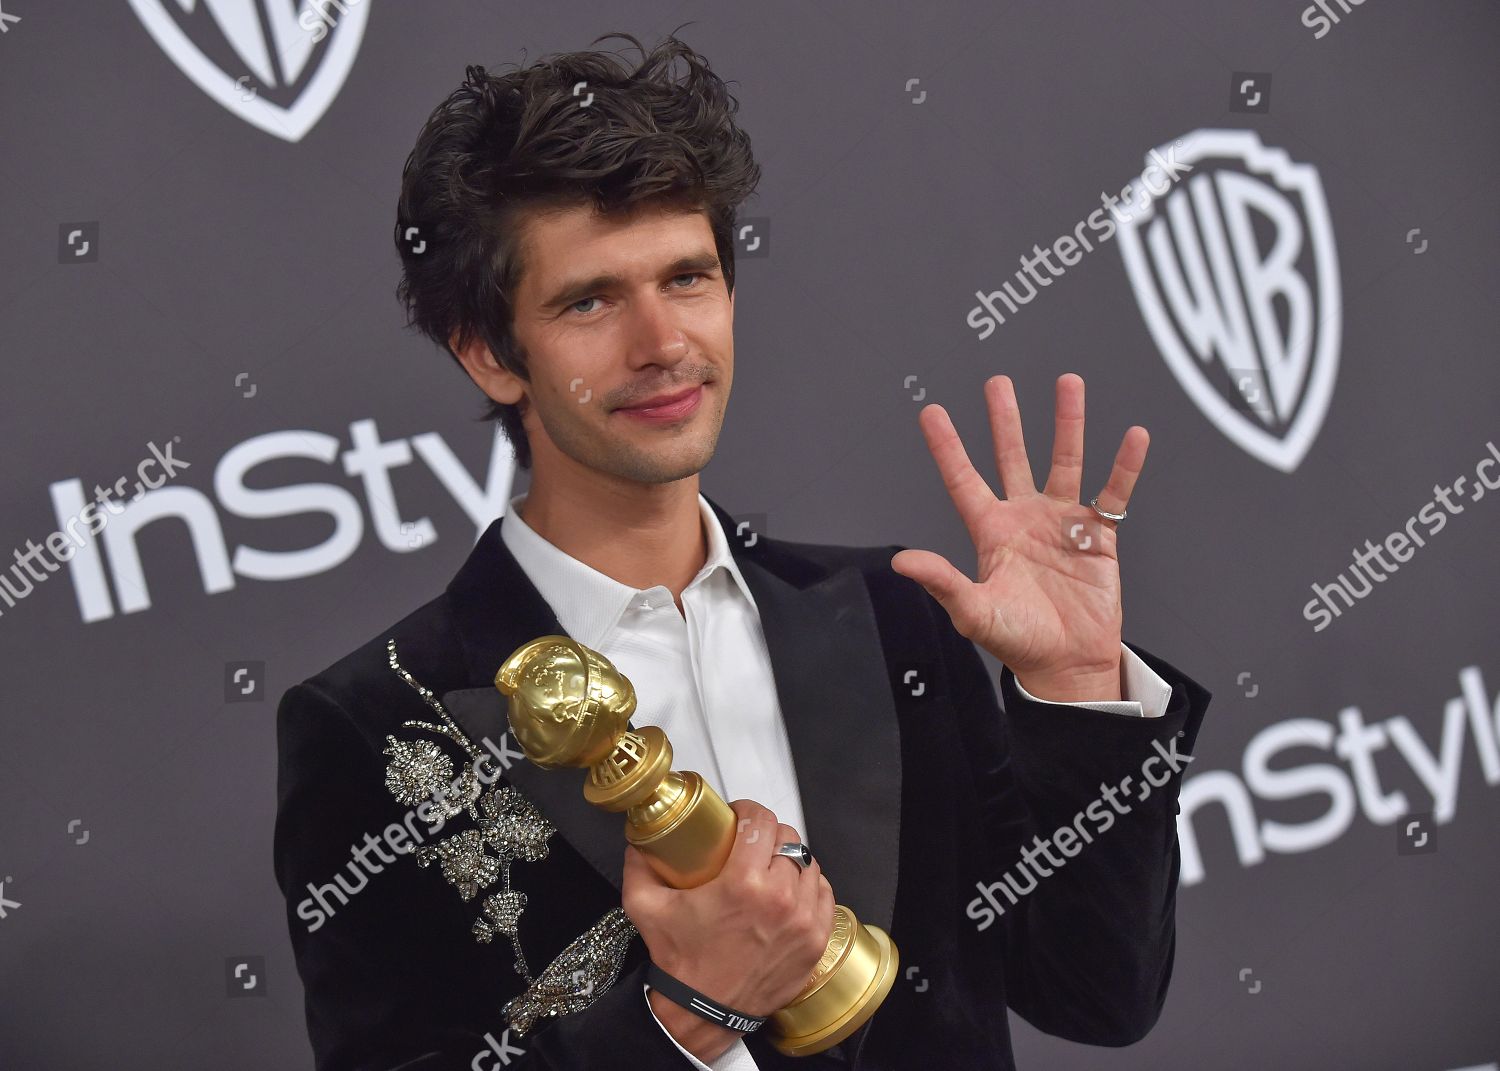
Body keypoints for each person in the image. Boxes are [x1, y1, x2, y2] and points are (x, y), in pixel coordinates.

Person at [273, 30, 1212, 1071]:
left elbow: (1098, 994)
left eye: (687, 278)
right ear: (492, 355)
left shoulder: (890, 615)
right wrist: (685, 1016)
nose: (663, 341)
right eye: (589, 300)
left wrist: (1078, 694)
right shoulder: (376, 723)